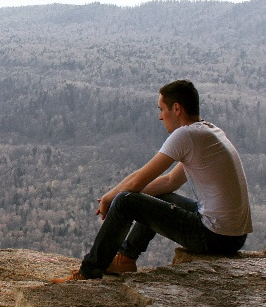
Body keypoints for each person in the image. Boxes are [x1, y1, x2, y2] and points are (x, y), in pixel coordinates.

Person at [53, 80, 252, 282]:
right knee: (156, 194)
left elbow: (138, 181)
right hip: (234, 236)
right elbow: (169, 181)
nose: (160, 116)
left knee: (125, 201)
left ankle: (88, 273)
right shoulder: (208, 131)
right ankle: (126, 259)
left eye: (161, 109)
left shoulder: (186, 135)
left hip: (213, 236)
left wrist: (110, 198)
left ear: (176, 108)